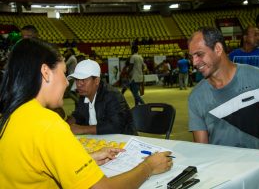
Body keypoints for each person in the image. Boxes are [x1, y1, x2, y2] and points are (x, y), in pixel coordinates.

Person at [0, 38, 173, 188]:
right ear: (46, 72)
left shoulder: (12, 115)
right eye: (64, 74)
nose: (69, 84)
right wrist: (148, 167)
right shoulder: (48, 124)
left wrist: (87, 158)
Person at [188, 27, 259, 163]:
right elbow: (203, 149)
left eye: (199, 54)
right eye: (191, 57)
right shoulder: (196, 97)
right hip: (223, 170)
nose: (194, 62)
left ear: (218, 49)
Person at [67, 59, 137, 135]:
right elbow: (78, 115)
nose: (79, 84)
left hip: (123, 140)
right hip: (100, 140)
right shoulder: (83, 96)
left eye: (83, 80)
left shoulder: (112, 95)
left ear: (96, 80)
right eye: (77, 80)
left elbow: (116, 126)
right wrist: (65, 125)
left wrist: (83, 129)